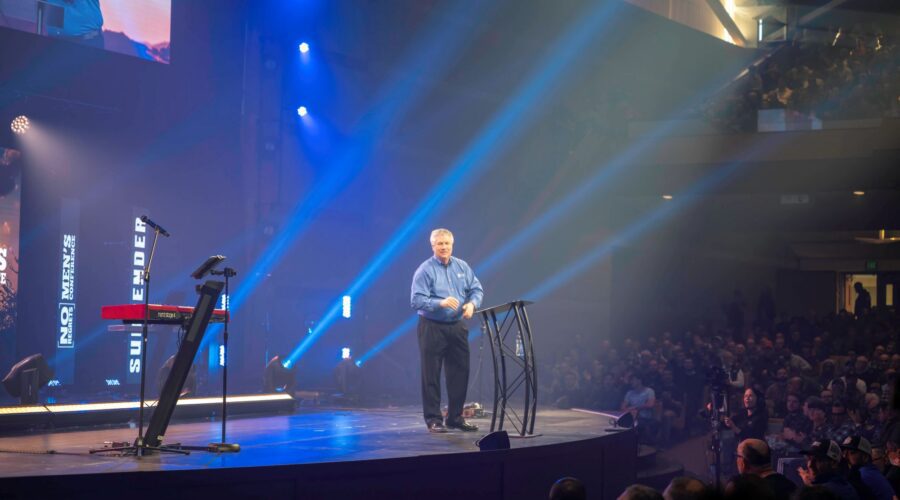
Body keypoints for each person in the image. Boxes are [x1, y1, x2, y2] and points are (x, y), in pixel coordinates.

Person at [411, 228, 483, 433]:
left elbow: (476, 289)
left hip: (457, 326)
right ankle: (434, 420)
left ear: (452, 245)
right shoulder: (425, 270)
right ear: (432, 246)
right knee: (431, 375)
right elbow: (416, 300)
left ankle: (455, 418)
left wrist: (472, 304)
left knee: (460, 373)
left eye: (447, 243)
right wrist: (439, 303)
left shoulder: (462, 266)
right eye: (439, 244)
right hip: (432, 326)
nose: (443, 247)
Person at [840, 436, 896, 500]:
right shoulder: (871, 472)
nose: (845, 456)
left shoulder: (863, 474)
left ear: (865, 457)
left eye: (852, 452)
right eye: (844, 452)